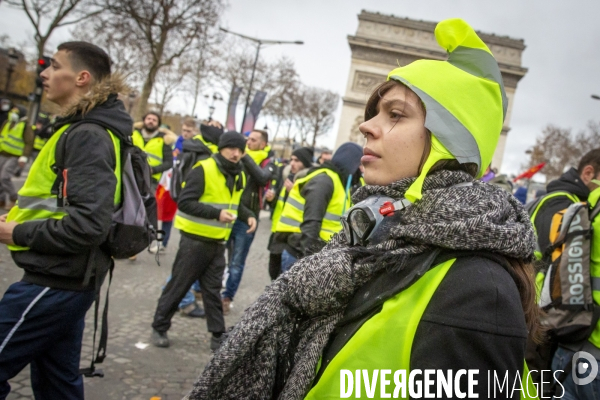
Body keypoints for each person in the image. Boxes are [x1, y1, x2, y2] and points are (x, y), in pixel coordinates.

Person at [185, 19, 540, 399]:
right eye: (373, 112)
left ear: (447, 141)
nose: (366, 126)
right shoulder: (368, 239)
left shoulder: (478, 295)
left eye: (395, 114)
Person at [0, 41, 132, 399]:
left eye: (54, 66)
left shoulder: (88, 134)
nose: (43, 73)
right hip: (66, 278)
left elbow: (87, 225)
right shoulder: (87, 128)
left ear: (81, 78)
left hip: (55, 278)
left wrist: (17, 231)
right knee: (58, 387)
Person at [151, 131, 257, 351]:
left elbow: (233, 204)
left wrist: (248, 215)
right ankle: (159, 326)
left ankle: (217, 335)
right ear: (221, 148)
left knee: (212, 290)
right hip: (194, 241)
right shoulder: (203, 169)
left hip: (217, 242)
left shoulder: (240, 174)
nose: (235, 154)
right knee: (179, 285)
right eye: (231, 148)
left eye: (240, 150)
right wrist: (215, 215)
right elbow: (185, 203)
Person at [528, 149, 600, 398]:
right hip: (543, 315)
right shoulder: (564, 204)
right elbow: (562, 267)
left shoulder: (558, 199)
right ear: (589, 173)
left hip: (540, 311)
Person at [274, 142, 363, 272]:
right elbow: (311, 224)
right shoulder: (325, 181)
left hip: (315, 255)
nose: (361, 170)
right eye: (360, 165)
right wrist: (306, 266)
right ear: (350, 163)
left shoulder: (339, 182)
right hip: (300, 256)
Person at [221, 129, 274, 315]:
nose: (248, 142)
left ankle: (227, 297)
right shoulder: (237, 158)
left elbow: (262, 177)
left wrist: (244, 156)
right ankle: (203, 291)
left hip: (249, 217)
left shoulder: (269, 161)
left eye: (253, 140)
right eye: (247, 139)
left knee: (237, 261)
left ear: (263, 144)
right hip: (229, 212)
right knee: (218, 255)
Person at [265, 146, 314, 280]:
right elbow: (282, 206)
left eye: (297, 160)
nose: (292, 163)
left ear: (305, 163)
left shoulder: (310, 182)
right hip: (278, 233)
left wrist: (294, 192)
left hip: (293, 238)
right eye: (291, 159)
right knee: (273, 272)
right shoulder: (287, 177)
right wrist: (271, 200)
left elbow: (311, 210)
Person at [132, 112, 174, 185]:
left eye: (154, 120)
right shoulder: (133, 134)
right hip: (131, 174)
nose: (151, 121)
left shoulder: (164, 140)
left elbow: (169, 163)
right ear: (144, 120)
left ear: (158, 124)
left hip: (151, 180)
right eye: (149, 119)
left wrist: (152, 170)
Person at [0, 105, 28, 210]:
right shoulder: (7, 122)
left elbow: (28, 142)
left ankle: (13, 198)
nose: (13, 114)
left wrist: (24, 157)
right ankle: (1, 199)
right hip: (2, 153)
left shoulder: (25, 126)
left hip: (14, 156)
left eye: (16, 112)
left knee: (4, 177)